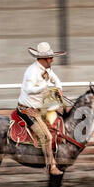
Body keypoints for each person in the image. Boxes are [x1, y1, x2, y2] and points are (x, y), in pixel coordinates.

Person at [17, 42, 66, 175]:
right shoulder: (31, 72)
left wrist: (59, 88)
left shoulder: (47, 68)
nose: (52, 59)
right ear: (42, 59)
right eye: (50, 57)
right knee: (47, 137)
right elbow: (29, 89)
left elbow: (55, 79)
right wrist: (45, 87)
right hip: (28, 110)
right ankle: (51, 167)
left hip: (39, 108)